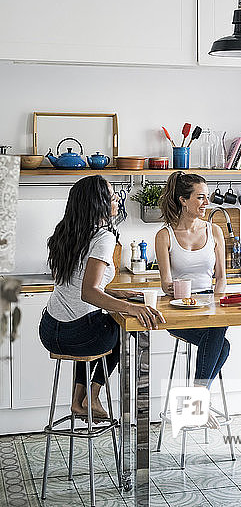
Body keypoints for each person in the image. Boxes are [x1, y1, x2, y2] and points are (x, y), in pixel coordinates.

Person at [39, 175, 165, 420]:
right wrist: (131, 308)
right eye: (110, 195)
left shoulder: (65, 232)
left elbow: (75, 285)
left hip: (49, 329)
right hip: (77, 335)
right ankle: (92, 396)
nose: (116, 199)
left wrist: (115, 293)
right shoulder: (103, 237)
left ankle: (78, 401)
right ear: (97, 203)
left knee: (96, 325)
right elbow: (88, 292)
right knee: (124, 329)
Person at [155, 172, 229, 425]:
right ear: (183, 200)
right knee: (220, 342)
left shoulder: (215, 231)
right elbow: (165, 282)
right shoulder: (164, 235)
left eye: (206, 197)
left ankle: (197, 402)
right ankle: (199, 402)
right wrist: (175, 289)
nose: (206, 202)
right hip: (180, 309)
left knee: (217, 332)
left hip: (210, 305)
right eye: (200, 197)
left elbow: (221, 278)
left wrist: (216, 304)